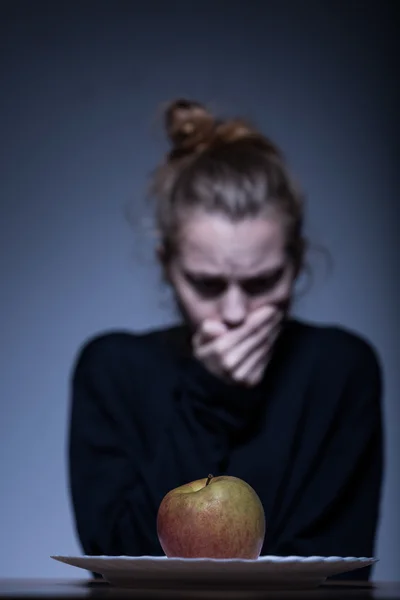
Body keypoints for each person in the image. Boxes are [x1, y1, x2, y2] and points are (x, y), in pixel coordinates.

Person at [68, 99, 384, 580]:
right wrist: (209, 398)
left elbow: (333, 573)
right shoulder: (112, 370)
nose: (235, 313)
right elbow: (120, 561)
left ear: (296, 264)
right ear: (167, 268)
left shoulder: (340, 370)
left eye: (262, 283)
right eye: (207, 285)